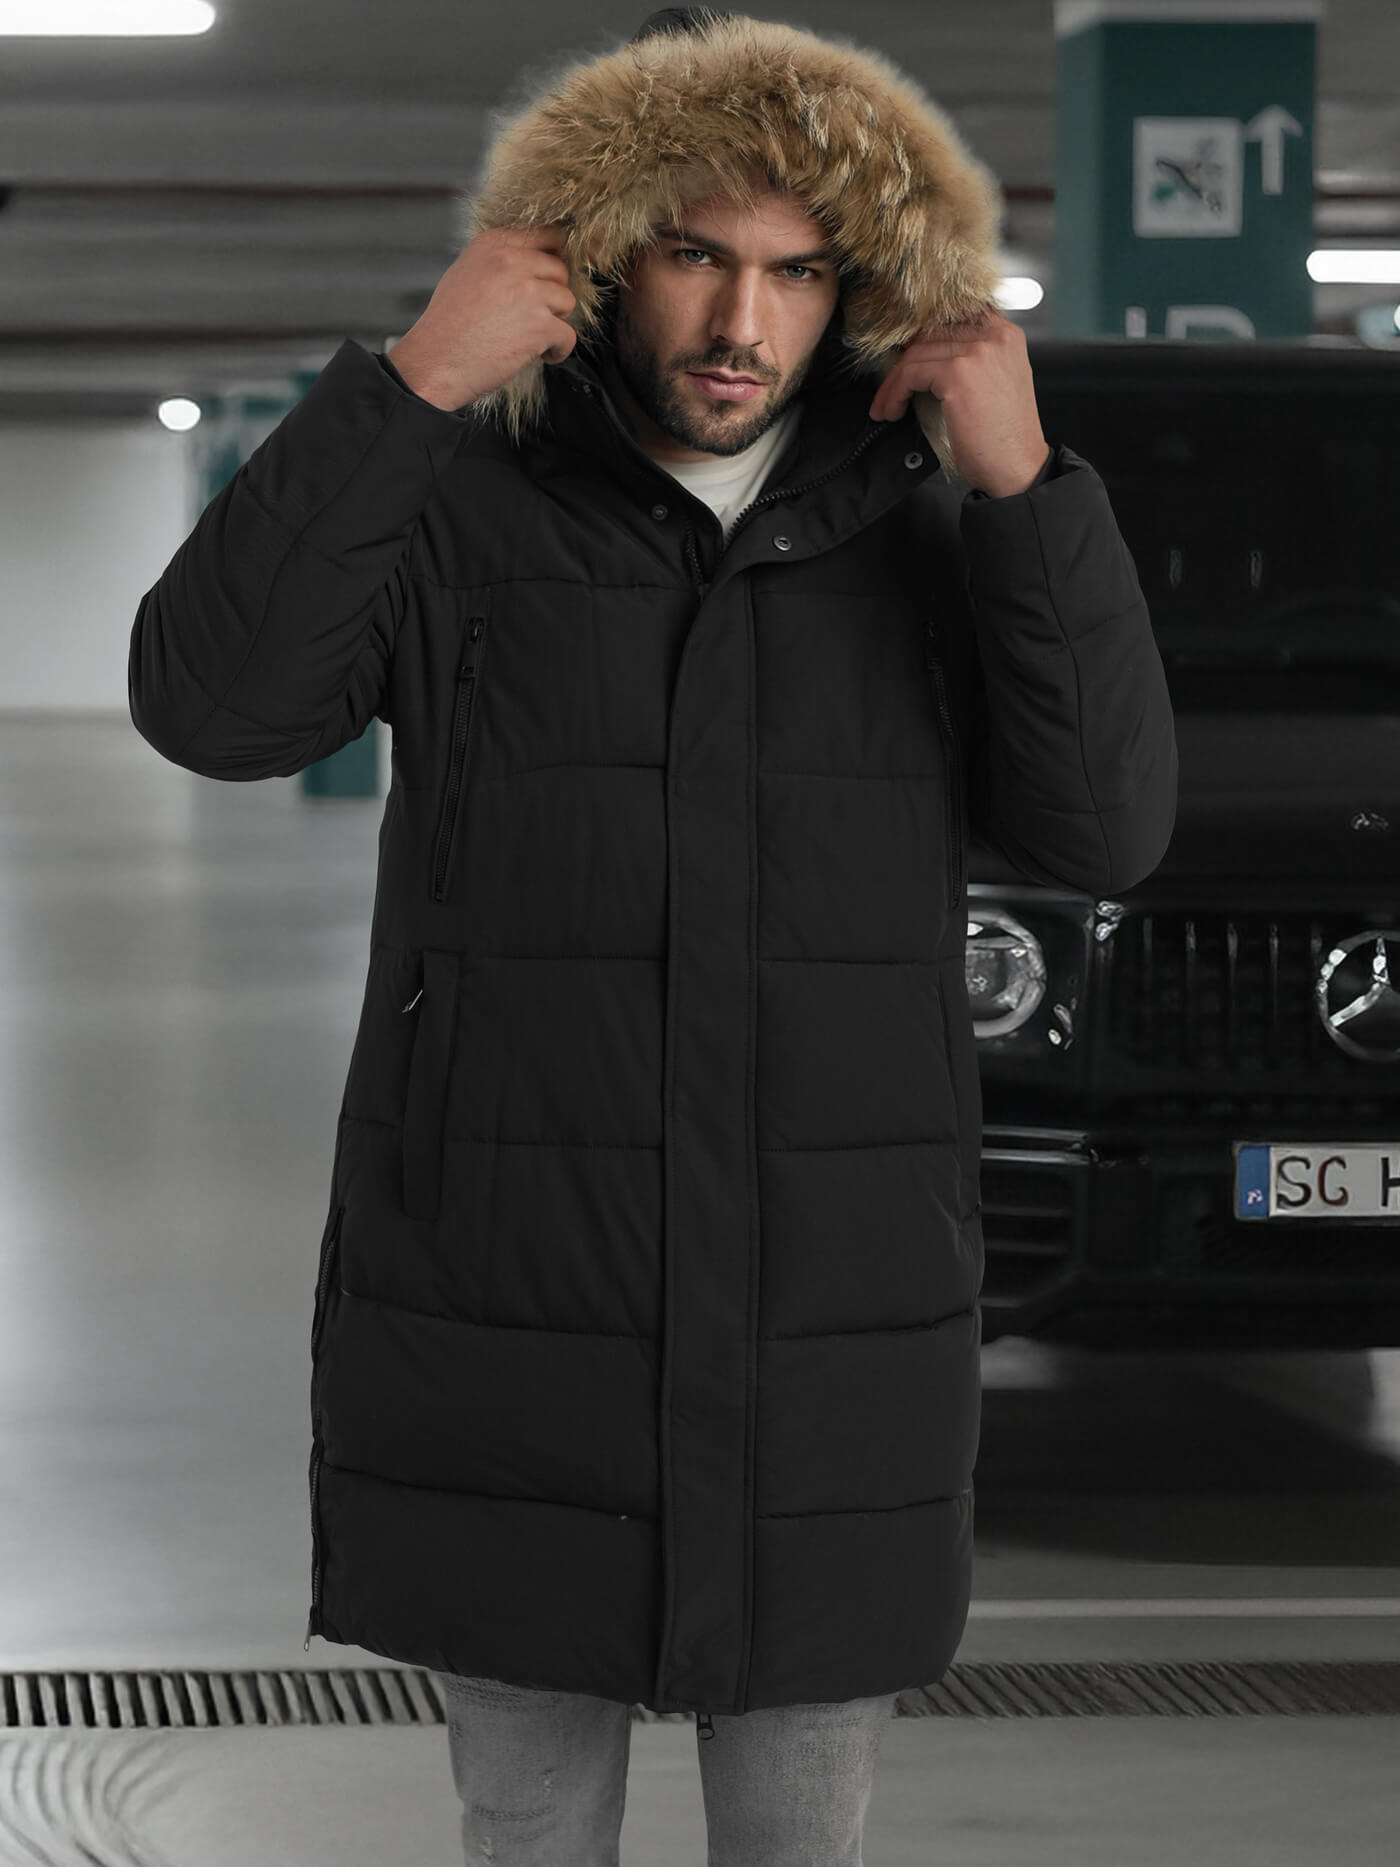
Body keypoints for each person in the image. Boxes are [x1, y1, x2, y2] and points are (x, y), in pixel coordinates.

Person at [128, 7, 1178, 1862]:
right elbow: (213, 708)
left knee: (802, 1838)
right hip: (513, 1291)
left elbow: (1102, 828)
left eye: (798, 273)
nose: (739, 323)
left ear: (862, 291)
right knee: (527, 1823)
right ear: (605, 260)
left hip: (830, 1308)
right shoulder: (460, 511)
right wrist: (409, 390)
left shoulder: (935, 528)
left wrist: (1032, 497)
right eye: (697, 256)